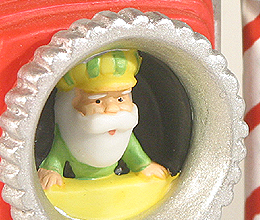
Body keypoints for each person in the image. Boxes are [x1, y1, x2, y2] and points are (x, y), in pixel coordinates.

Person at [37, 49, 168, 191]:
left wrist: (144, 166)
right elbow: (57, 155)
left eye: (120, 99)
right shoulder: (69, 137)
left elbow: (132, 151)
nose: (112, 109)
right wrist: (52, 170)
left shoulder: (123, 134)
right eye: (98, 101)